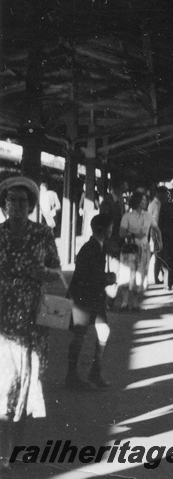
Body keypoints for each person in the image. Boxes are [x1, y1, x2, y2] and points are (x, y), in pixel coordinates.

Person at [0, 176, 63, 471]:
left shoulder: (43, 234)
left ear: (30, 206)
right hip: (2, 317)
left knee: (25, 382)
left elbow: (57, 272)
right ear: (4, 205)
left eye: (22, 201)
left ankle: (17, 447)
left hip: (30, 318)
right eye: (11, 200)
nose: (16, 206)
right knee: (4, 383)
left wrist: (43, 271)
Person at [65, 214, 117, 390]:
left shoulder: (96, 246)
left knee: (102, 331)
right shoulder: (91, 248)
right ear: (103, 229)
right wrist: (108, 279)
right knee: (80, 335)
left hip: (92, 298)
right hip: (82, 299)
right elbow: (91, 276)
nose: (112, 229)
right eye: (110, 226)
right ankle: (72, 376)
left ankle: (94, 372)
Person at [118, 192, 161, 310]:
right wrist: (133, 233)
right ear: (137, 201)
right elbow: (121, 233)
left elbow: (157, 229)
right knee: (127, 275)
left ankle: (135, 302)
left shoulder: (148, 215)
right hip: (130, 248)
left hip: (144, 248)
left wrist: (159, 242)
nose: (145, 202)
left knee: (140, 275)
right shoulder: (127, 216)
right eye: (143, 200)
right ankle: (125, 302)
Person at [150, 187, 173, 287]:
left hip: (155, 234)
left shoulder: (153, 203)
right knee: (159, 257)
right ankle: (156, 279)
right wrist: (156, 237)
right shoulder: (157, 204)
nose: (166, 196)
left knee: (158, 256)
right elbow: (156, 222)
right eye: (165, 194)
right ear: (160, 194)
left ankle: (157, 277)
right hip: (157, 234)